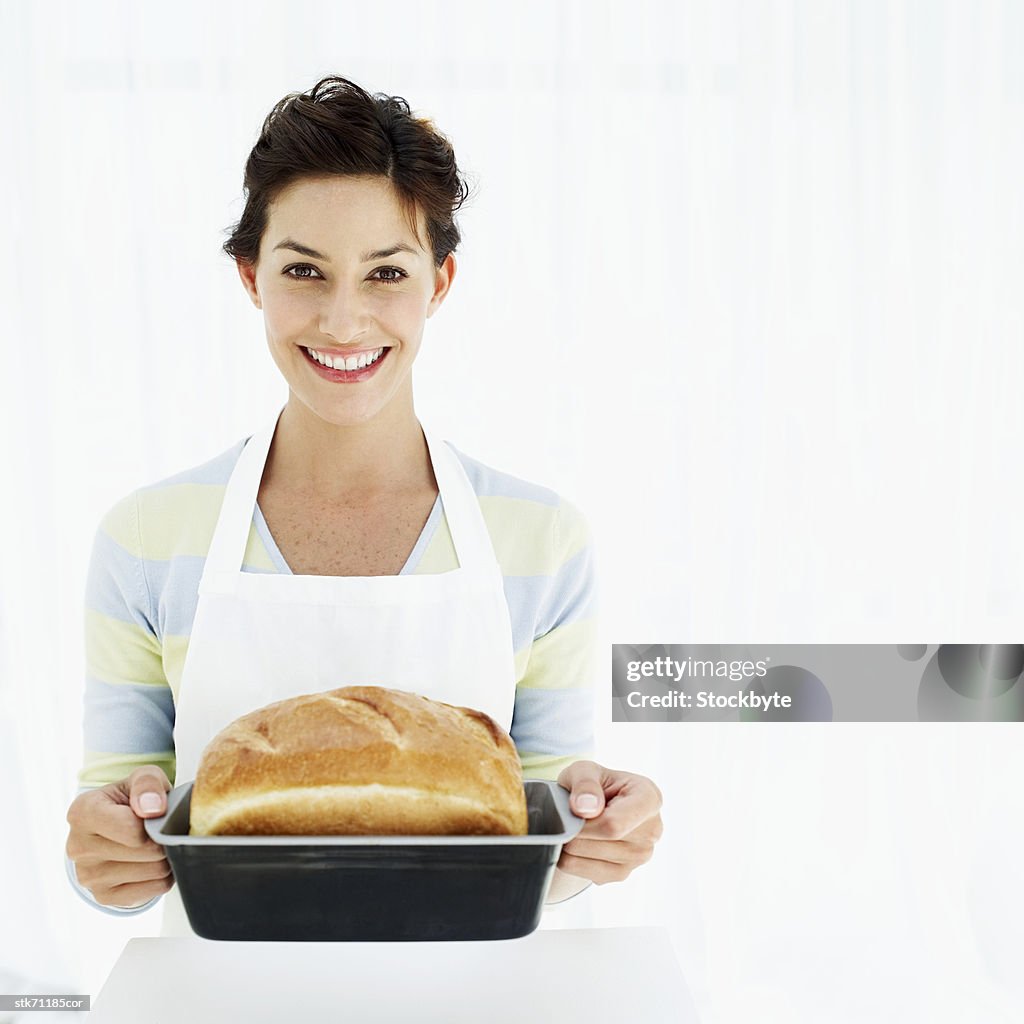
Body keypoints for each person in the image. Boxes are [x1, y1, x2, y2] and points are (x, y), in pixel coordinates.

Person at [64, 74, 663, 935]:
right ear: (250, 277)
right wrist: (107, 855)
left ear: (440, 282)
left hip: (471, 993)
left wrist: (595, 837)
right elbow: (116, 840)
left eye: (386, 272)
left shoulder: (541, 540)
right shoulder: (147, 538)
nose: (344, 322)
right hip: (225, 996)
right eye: (304, 269)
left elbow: (542, 833)